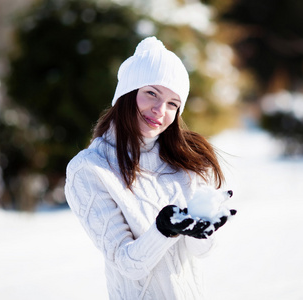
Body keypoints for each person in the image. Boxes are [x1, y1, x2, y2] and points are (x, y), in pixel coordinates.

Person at [64, 36, 235, 300]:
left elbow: (200, 253)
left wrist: (204, 228)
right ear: (127, 93)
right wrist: (165, 230)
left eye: (173, 104)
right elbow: (126, 263)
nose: (159, 110)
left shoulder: (183, 161)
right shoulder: (89, 170)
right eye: (151, 93)